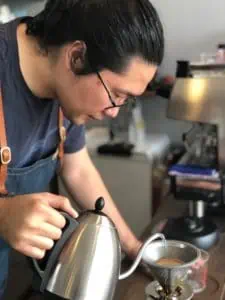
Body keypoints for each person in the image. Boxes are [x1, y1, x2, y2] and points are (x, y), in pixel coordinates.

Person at [0, 0, 164, 297]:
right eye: (116, 94)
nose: (114, 111)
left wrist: (133, 247)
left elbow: (77, 168)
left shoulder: (66, 91)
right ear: (76, 56)